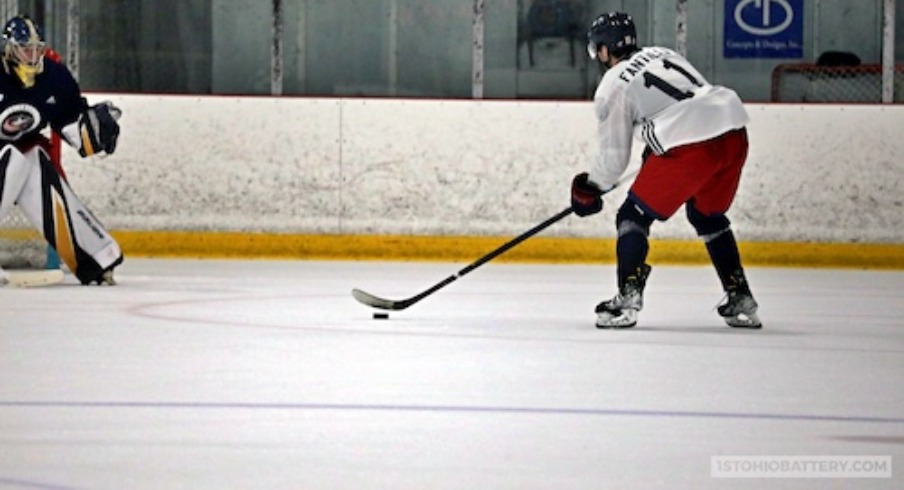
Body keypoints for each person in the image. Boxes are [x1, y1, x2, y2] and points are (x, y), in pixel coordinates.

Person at [569, 12, 761, 329]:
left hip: (689, 147)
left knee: (632, 217)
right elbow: (688, 99)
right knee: (707, 216)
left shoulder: (611, 86)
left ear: (603, 50)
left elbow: (614, 160)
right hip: (733, 131)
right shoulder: (662, 53)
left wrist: (589, 190)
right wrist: (656, 150)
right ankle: (740, 296)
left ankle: (627, 299)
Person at [0, 15, 123, 285]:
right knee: (11, 158)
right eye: (24, 48)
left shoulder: (54, 78)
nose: (31, 55)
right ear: (8, 50)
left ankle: (95, 257)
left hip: (14, 156)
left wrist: (95, 132)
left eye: (36, 48)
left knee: (32, 161)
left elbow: (73, 127)